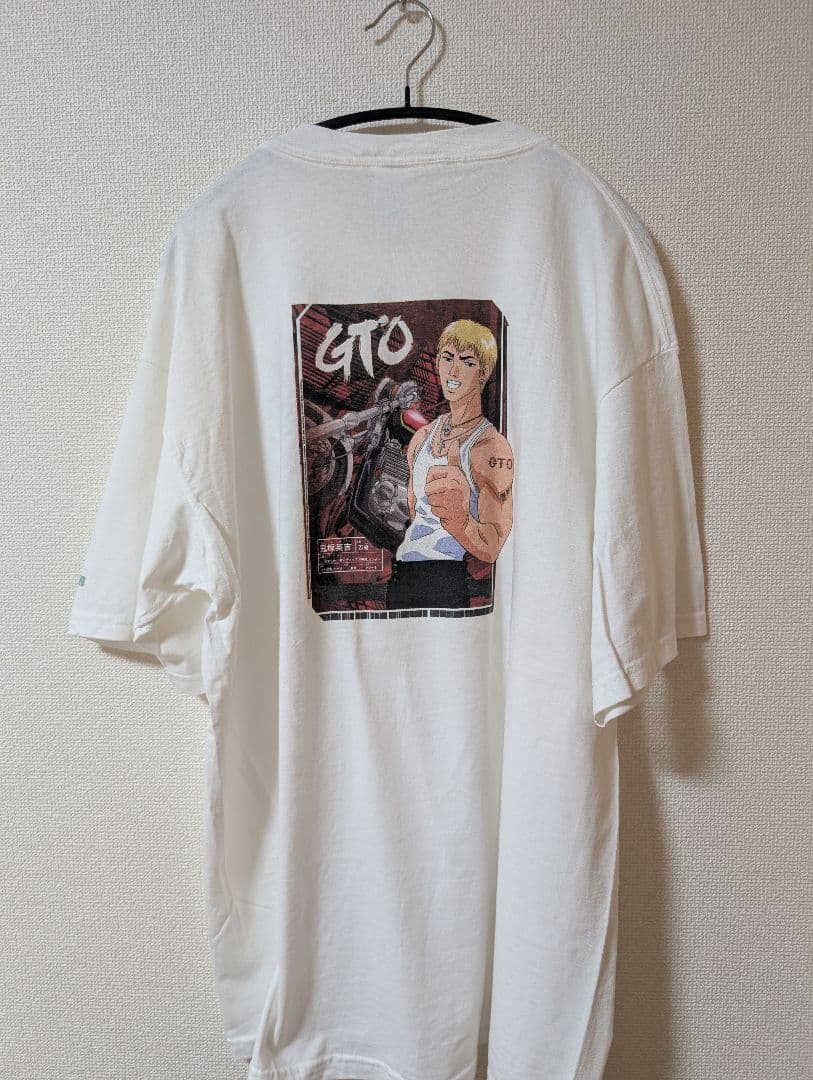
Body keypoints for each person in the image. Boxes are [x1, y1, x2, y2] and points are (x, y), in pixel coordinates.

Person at [386, 318, 514, 611]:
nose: (454, 370)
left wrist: (461, 520)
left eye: (467, 362)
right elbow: (415, 512)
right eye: (447, 358)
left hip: (445, 579)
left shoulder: (489, 447)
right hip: (403, 576)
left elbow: (493, 546)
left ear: (483, 373)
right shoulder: (421, 438)